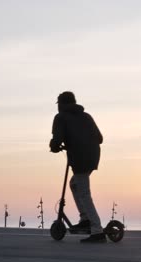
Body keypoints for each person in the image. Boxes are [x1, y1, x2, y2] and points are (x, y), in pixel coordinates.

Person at [49, 91, 105, 243]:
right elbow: (100, 138)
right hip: (93, 157)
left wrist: (54, 146)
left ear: (62, 104)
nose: (58, 107)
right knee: (75, 184)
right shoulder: (86, 116)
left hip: (79, 158)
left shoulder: (60, 117)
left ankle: (97, 230)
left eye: (59, 103)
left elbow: (57, 139)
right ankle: (85, 218)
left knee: (84, 193)